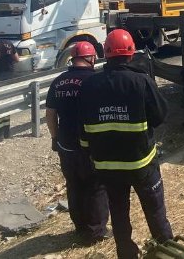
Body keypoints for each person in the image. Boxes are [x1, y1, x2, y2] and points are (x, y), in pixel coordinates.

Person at [77, 29, 173, 259]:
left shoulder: (90, 86)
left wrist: (89, 153)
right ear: (130, 53)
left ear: (106, 54)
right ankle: (168, 252)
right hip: (142, 164)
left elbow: (83, 129)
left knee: (119, 215)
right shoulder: (141, 81)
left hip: (108, 167)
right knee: (155, 212)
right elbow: (160, 116)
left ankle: (127, 255)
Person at [45, 42, 110, 243]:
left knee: (74, 185)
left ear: (72, 59)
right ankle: (96, 231)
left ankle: (80, 227)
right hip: (90, 144)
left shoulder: (58, 82)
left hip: (66, 144)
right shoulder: (96, 80)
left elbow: (50, 114)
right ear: (91, 58)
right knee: (96, 186)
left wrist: (55, 138)